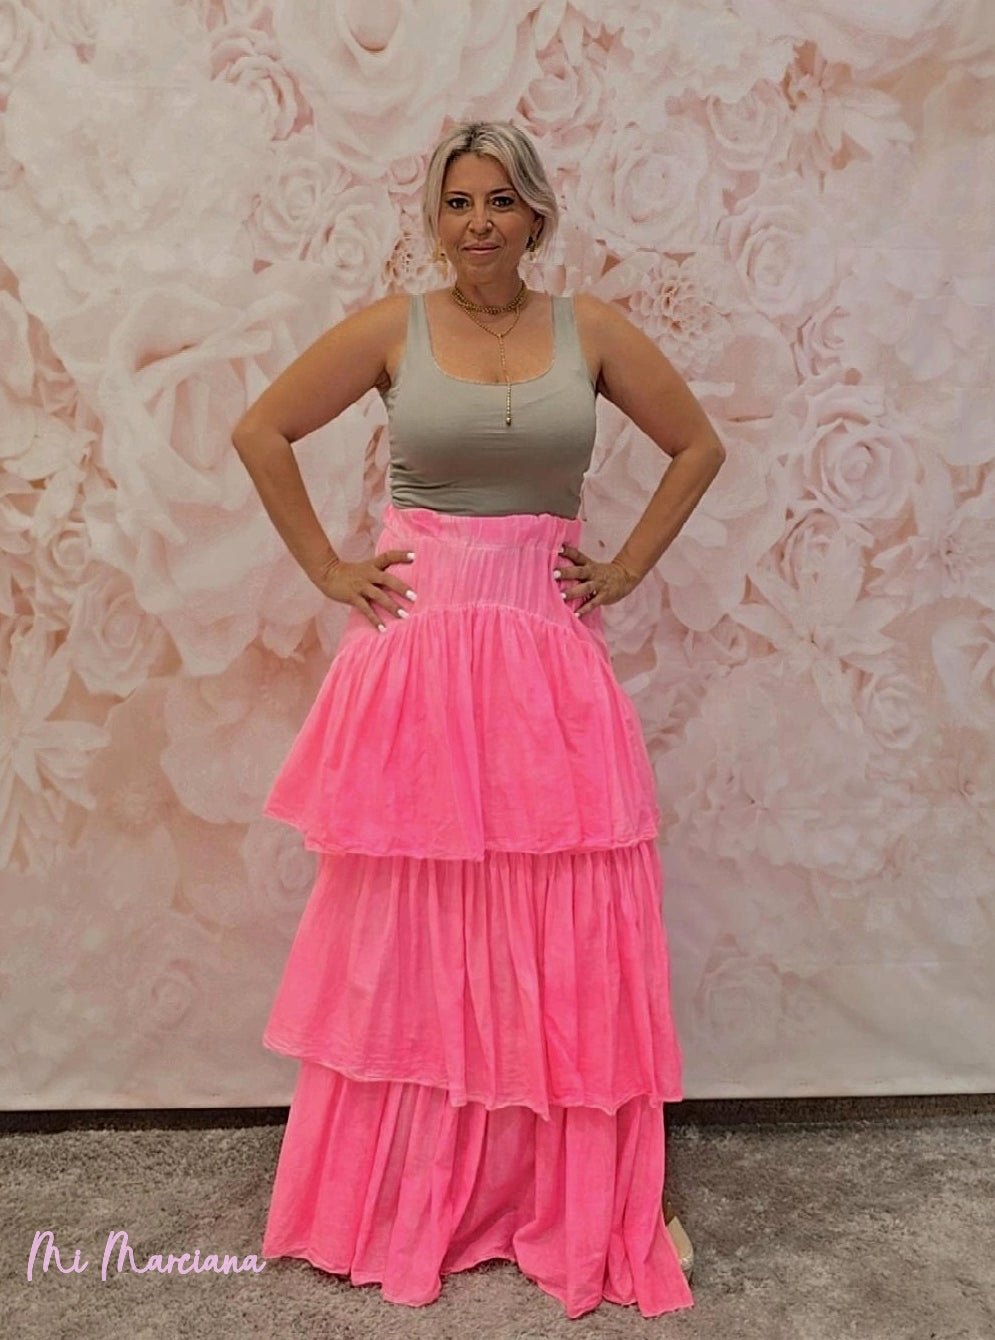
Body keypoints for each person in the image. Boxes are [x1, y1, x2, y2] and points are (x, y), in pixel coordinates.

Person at [231, 119, 725, 1321]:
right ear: (435, 219)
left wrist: (625, 568)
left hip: (546, 656)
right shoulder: (391, 330)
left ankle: (548, 1188)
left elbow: (698, 446)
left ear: (536, 213)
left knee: (557, 918)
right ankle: (415, 1190)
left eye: (500, 200)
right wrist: (330, 568)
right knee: (419, 933)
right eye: (458, 202)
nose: (479, 223)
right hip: (419, 658)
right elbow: (261, 430)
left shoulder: (590, 331)